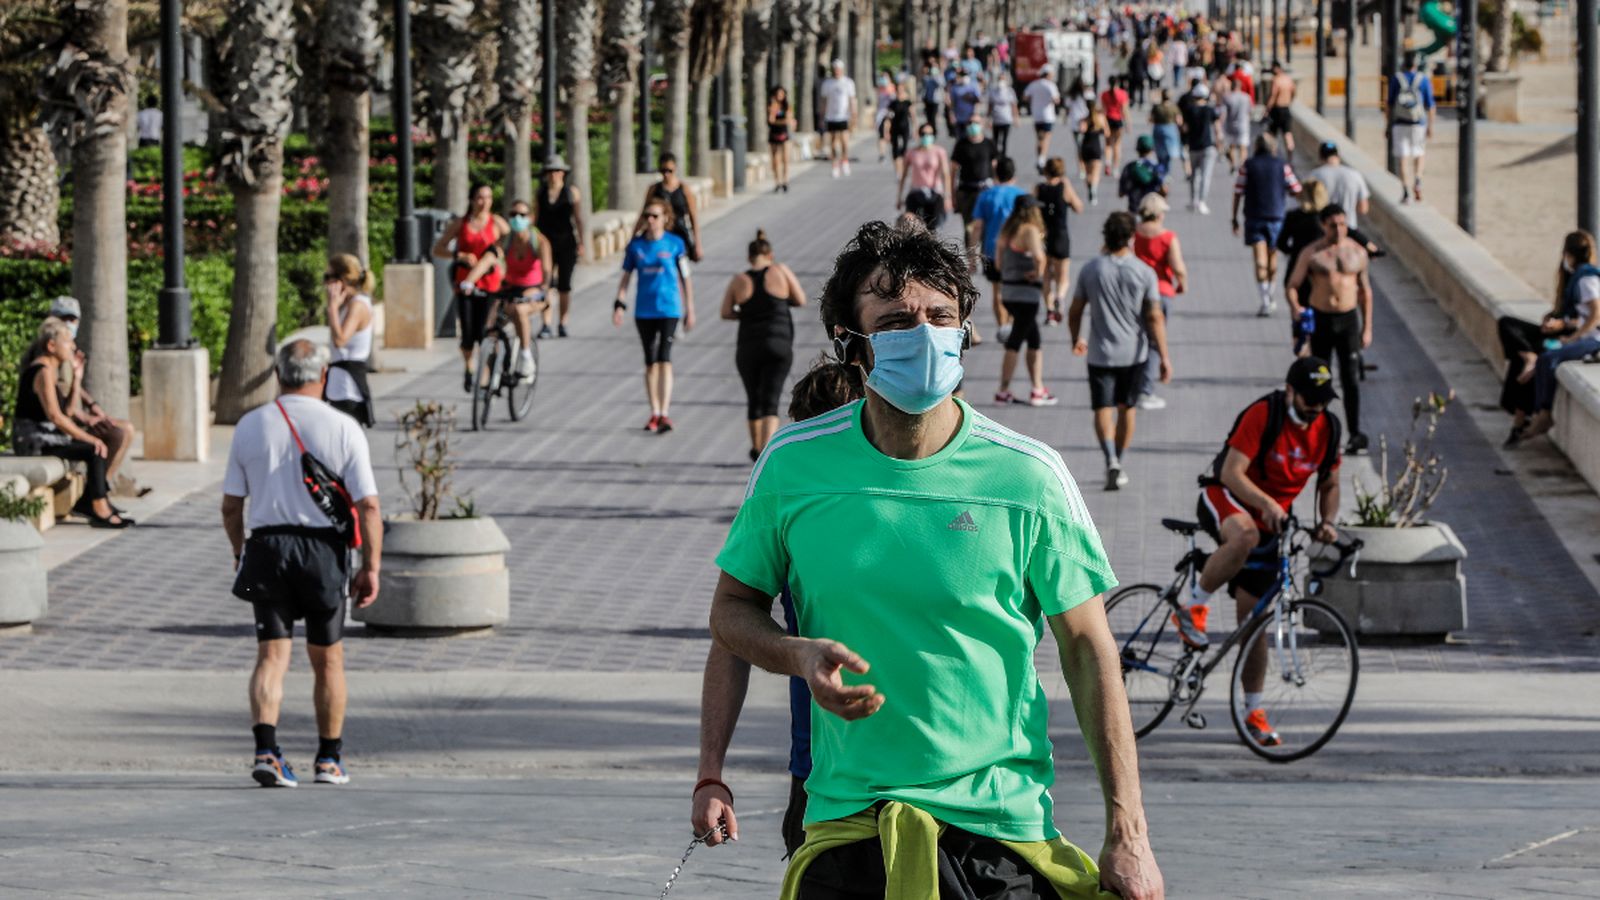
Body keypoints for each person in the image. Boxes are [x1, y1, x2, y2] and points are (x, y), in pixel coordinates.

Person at [707, 218, 1164, 899]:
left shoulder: (1030, 476)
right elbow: (731, 611)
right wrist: (793, 654)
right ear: (850, 344)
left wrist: (1129, 833)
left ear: (965, 332)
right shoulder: (792, 466)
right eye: (895, 322)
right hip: (847, 828)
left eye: (941, 317)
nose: (923, 336)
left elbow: (1088, 648)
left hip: (998, 834)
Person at [691, 356, 865, 859]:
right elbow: (731, 630)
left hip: (943, 783)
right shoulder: (792, 505)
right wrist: (709, 775)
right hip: (821, 777)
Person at [223, 339, 381, 788]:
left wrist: (239, 553)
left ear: (278, 374)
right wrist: (371, 567)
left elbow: (231, 506)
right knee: (328, 659)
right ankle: (329, 759)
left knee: (271, 655)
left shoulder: (250, 425)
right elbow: (369, 506)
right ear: (324, 375)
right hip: (322, 552)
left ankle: (266, 752)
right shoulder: (344, 427)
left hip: (266, 548)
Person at [1172, 356, 1342, 748]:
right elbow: (1231, 472)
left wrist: (1327, 521)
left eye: (1323, 400)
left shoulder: (1328, 429)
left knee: (1255, 625)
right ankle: (1192, 609)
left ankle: (1253, 712)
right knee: (1244, 535)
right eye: (1309, 399)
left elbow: (1330, 483)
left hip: (1272, 521)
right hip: (1226, 497)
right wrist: (1266, 503)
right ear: (1290, 391)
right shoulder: (1264, 414)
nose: (1316, 407)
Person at [1070, 211, 1172, 491]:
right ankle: (1120, 460)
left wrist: (1076, 338)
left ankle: (1110, 459)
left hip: (1100, 353)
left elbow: (1075, 309)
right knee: (1127, 409)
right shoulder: (1144, 272)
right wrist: (1164, 356)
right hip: (1134, 354)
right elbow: (1154, 317)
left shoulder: (1091, 269)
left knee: (1102, 408)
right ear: (1131, 238)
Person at [12, 318, 133, 528]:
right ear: (51, 346)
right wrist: (89, 438)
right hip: (34, 440)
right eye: (68, 341)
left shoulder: (50, 369)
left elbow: (67, 411)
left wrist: (77, 377)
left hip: (47, 435)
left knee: (108, 438)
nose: (73, 346)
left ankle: (93, 499)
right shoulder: (42, 371)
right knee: (94, 449)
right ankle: (98, 507)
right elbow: (55, 416)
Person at [1284, 204, 1373, 454]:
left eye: (1343, 224)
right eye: (1333, 225)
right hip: (1322, 320)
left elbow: (1365, 292)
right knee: (1320, 379)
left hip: (1348, 320)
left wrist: (1367, 327)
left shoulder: (1357, 252)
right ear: (1323, 225)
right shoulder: (1312, 253)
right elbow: (1293, 285)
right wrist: (1296, 309)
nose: (1339, 229)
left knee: (1350, 378)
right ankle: (1318, 433)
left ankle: (1354, 434)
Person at [720, 230, 808, 460]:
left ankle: (755, 448)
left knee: (754, 399)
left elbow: (725, 312)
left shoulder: (739, 280)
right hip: (779, 343)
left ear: (749, 258)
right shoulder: (780, 271)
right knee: (771, 399)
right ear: (770, 255)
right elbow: (800, 299)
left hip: (748, 346)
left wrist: (746, 314)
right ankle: (766, 453)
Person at [614, 198, 695, 433]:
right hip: (644, 310)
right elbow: (626, 278)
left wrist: (690, 308)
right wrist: (619, 304)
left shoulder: (675, 244)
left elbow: (686, 278)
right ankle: (655, 412)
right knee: (650, 362)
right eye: (647, 215)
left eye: (655, 216)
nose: (650, 220)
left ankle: (665, 413)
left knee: (664, 358)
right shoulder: (636, 246)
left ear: (665, 218)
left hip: (669, 308)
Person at [41, 296, 139, 491]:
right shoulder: (50, 356)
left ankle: (101, 489)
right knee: (115, 434)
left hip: (69, 419)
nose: (69, 324)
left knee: (126, 429)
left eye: (72, 319)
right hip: (57, 428)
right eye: (63, 319)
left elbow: (72, 387)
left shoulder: (67, 348)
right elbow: (60, 407)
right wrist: (86, 419)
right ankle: (96, 493)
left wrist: (93, 407)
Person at [1517, 231, 1600, 443]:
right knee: (1545, 356)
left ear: (1569, 254)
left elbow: (1596, 313)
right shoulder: (1585, 276)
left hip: (1595, 340)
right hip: (1590, 337)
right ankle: (1538, 412)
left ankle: (1543, 413)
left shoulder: (1585, 279)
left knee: (1548, 359)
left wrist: (1574, 338)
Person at [430, 182, 509, 392]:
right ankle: (469, 367)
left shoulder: (497, 223)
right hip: (464, 285)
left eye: (489, 197)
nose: (485, 202)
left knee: (486, 331)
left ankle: (487, 375)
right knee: (467, 333)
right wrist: (459, 255)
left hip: (491, 285)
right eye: (481, 197)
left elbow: (511, 242)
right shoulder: (461, 223)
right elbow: (438, 249)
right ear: (472, 200)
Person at [460, 199, 554, 368]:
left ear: (531, 218)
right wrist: (469, 281)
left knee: (519, 310)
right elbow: (487, 260)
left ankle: (526, 356)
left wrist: (544, 290)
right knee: (490, 324)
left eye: (522, 215)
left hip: (533, 290)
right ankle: (490, 370)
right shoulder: (506, 240)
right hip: (510, 288)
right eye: (513, 214)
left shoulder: (540, 242)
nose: (517, 218)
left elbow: (547, 272)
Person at [994, 199, 1059, 406]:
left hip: (1008, 292)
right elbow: (1040, 258)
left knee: (1034, 340)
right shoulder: (1029, 230)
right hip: (1026, 293)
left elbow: (998, 263)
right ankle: (1004, 391)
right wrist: (1036, 273)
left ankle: (1037, 388)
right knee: (1015, 341)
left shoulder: (1007, 230)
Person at [1232, 132, 1302, 316]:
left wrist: (1234, 218)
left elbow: (1238, 191)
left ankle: (1264, 300)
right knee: (1273, 259)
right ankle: (1270, 294)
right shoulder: (1282, 165)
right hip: (1277, 217)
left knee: (1259, 260)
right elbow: (1296, 189)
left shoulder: (1248, 165)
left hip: (1254, 217)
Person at [1132, 194, 1188, 411]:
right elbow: (1178, 267)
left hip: (1136, 292)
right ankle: (1145, 391)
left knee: (1138, 339)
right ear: (1158, 214)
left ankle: (1134, 385)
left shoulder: (1134, 234)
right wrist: (1182, 283)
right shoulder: (1167, 237)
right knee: (1155, 342)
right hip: (1161, 292)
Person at [970, 156, 1028, 334]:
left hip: (992, 250)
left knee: (997, 290)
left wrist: (972, 256)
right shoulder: (1021, 196)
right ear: (1013, 174)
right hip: (1016, 250)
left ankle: (1002, 327)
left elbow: (977, 227)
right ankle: (1010, 323)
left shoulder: (985, 196)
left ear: (996, 174)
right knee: (1014, 288)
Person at [321, 254, 377, 426]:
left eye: (328, 277)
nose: (325, 283)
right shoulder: (350, 304)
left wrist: (332, 308)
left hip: (348, 389)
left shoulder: (358, 305)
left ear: (343, 280)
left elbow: (340, 340)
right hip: (339, 386)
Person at [535, 155, 584, 338]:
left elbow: (578, 218)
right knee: (546, 283)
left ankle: (563, 322)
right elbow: (535, 218)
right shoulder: (540, 193)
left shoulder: (572, 192)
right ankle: (546, 323)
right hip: (545, 244)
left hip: (567, 243)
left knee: (565, 285)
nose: (553, 174)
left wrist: (581, 242)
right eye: (550, 171)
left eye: (556, 171)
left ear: (563, 173)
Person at [1035, 157, 1085, 323]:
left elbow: (1033, 211)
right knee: (1063, 277)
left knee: (1046, 276)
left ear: (1046, 171)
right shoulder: (1064, 188)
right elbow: (1079, 207)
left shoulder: (1039, 188)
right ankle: (1060, 296)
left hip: (1043, 236)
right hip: (1060, 235)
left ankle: (1049, 310)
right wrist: (1068, 188)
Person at [636, 151, 704, 263]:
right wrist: (633, 236)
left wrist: (698, 244)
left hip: (679, 233)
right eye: (663, 171)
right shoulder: (654, 189)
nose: (666, 174)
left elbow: (693, 217)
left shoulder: (684, 189)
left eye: (669, 171)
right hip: (659, 235)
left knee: (680, 266)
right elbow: (643, 214)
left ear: (675, 169)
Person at [1387, 51, 1435, 203]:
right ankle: (1418, 179)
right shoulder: (1423, 79)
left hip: (1400, 123)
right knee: (1419, 153)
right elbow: (1430, 105)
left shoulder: (1397, 79)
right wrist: (1430, 126)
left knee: (1403, 158)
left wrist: (1388, 125)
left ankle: (1406, 190)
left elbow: (1389, 104)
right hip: (1418, 123)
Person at [897, 121, 955, 232]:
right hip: (916, 192)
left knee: (933, 226)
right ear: (919, 135)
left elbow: (946, 174)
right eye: (923, 134)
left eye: (929, 134)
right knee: (911, 226)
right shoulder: (911, 152)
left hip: (934, 192)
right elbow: (903, 176)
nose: (926, 136)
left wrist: (947, 197)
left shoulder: (939, 152)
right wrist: (899, 197)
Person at [951, 119, 999, 250]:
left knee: (986, 226)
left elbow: (995, 167)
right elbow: (953, 170)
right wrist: (952, 195)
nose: (973, 125)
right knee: (969, 226)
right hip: (966, 191)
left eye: (976, 122)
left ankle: (985, 255)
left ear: (982, 125)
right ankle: (970, 255)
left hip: (985, 190)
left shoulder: (988, 143)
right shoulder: (961, 144)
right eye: (970, 123)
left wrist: (997, 189)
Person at [1307, 141, 1371, 230]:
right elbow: (1363, 209)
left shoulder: (1313, 176)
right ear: (1338, 156)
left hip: (1323, 230)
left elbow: (1307, 206)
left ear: (1320, 157)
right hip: (1349, 227)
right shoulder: (1355, 175)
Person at [1180, 81, 1222, 213]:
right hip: (1207, 146)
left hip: (1193, 146)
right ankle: (1202, 202)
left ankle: (1194, 200)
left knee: (1194, 176)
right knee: (1206, 176)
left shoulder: (1189, 110)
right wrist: (1219, 143)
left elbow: (1184, 128)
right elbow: (1217, 128)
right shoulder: (1210, 110)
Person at [820, 59, 859, 177]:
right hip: (831, 117)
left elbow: (852, 99)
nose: (837, 71)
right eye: (835, 69)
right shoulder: (827, 83)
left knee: (845, 142)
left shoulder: (848, 83)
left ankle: (845, 160)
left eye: (838, 69)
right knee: (833, 142)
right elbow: (824, 101)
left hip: (844, 116)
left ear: (842, 70)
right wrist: (822, 116)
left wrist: (854, 115)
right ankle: (835, 165)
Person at [1118, 134, 1168, 213]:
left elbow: (1121, 193)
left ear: (1137, 149)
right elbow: (1164, 190)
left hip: (1134, 207)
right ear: (1152, 149)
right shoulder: (1157, 167)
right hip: (1152, 208)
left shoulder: (1130, 167)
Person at [1024, 68, 1061, 172]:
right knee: (1046, 138)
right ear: (1048, 74)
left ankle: (1040, 159)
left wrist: (1034, 101)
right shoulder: (1050, 85)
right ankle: (1042, 159)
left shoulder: (1034, 84)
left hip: (1037, 115)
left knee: (1039, 138)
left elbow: (1025, 97)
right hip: (1048, 116)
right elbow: (1056, 100)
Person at [1080, 96, 1111, 205]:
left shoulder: (1084, 119)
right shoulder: (1100, 118)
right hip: (1096, 146)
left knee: (1088, 172)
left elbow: (1081, 130)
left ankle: (1089, 186)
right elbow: (1107, 133)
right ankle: (1094, 189)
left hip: (1085, 146)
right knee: (1096, 172)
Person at [1219, 75, 1253, 172]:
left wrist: (1220, 127)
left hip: (1231, 125)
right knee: (1243, 147)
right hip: (1243, 125)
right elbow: (1250, 111)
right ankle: (1242, 165)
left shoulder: (1227, 97)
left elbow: (1223, 113)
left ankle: (1233, 163)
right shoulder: (1246, 97)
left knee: (1232, 146)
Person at [1264, 60, 1296, 156]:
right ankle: (1290, 154)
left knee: (1272, 134)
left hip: (1277, 109)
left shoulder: (1276, 80)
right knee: (1287, 133)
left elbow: (1273, 96)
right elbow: (1293, 92)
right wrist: (1289, 100)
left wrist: (1267, 110)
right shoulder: (1288, 79)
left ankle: (1272, 155)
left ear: (1276, 68)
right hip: (1286, 108)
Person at [1149, 89, 1182, 174]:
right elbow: (1179, 121)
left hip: (1158, 128)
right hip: (1170, 128)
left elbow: (1151, 119)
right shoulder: (1174, 107)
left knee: (1159, 150)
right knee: (1169, 151)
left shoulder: (1157, 107)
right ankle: (1166, 170)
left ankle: (1161, 168)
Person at [768, 85, 794, 193]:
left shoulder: (786, 106)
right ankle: (777, 182)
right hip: (773, 134)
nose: (780, 96)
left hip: (784, 134)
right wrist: (774, 107)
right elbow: (771, 120)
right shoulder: (771, 105)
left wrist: (778, 121)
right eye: (778, 94)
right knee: (775, 159)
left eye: (782, 94)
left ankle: (785, 181)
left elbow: (788, 120)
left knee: (785, 159)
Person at [887, 78, 916, 178]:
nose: (900, 90)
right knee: (895, 149)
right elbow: (888, 118)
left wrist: (915, 129)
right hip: (894, 128)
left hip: (905, 127)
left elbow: (913, 116)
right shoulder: (893, 103)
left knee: (904, 148)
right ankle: (897, 171)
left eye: (901, 89)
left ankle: (904, 169)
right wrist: (887, 131)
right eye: (898, 89)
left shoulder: (907, 102)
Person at [1101, 76, 1131, 168]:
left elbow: (1103, 110)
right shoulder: (1123, 94)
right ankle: (1116, 167)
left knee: (1108, 144)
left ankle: (1107, 162)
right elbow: (1125, 110)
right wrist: (1128, 124)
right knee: (1117, 145)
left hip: (1108, 120)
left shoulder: (1104, 94)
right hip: (1118, 120)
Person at [986, 72, 1018, 157]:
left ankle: (1003, 156)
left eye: (1003, 79)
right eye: (1000, 79)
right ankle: (996, 156)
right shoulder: (993, 91)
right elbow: (990, 106)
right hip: (996, 119)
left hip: (1006, 119)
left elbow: (1014, 106)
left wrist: (1016, 118)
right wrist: (988, 119)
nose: (1001, 81)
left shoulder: (1010, 91)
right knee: (995, 139)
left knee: (1004, 140)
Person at [947, 68, 983, 133]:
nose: (964, 77)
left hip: (971, 118)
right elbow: (952, 103)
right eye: (962, 75)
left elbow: (978, 101)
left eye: (965, 75)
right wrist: (952, 115)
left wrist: (976, 114)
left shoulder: (974, 86)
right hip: (959, 118)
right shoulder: (955, 87)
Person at [874, 69, 897, 163]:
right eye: (882, 76)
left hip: (890, 113)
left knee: (888, 133)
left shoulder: (892, 87)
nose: (883, 78)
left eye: (885, 76)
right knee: (881, 134)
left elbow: (894, 101)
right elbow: (877, 103)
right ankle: (882, 154)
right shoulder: (879, 89)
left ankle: (894, 151)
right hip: (880, 114)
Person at [919, 61, 946, 137]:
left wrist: (936, 76)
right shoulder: (927, 77)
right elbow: (924, 86)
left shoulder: (939, 76)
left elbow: (941, 84)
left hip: (935, 100)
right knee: (928, 117)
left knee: (933, 117)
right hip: (928, 100)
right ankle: (929, 130)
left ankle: (934, 131)